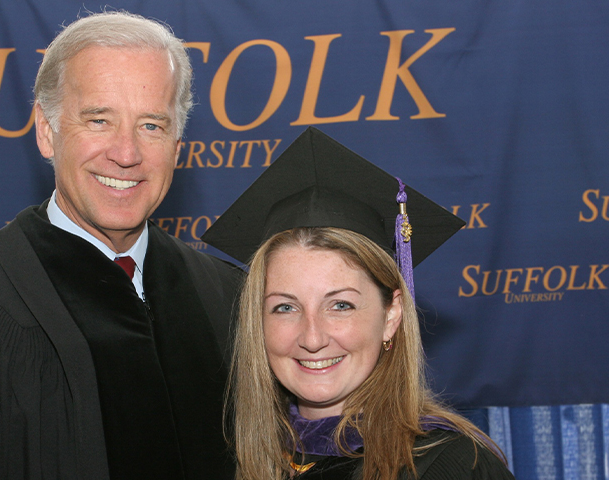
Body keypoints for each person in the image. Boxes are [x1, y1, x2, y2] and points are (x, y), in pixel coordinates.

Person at [0, 11, 243, 480]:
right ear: (46, 131)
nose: (126, 153)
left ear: (178, 146)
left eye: (151, 126)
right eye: (99, 120)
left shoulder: (226, 297)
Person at [202, 127, 515, 480]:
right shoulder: (236, 461)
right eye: (285, 307)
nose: (313, 337)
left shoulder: (448, 467)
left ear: (391, 315)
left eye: (340, 305)